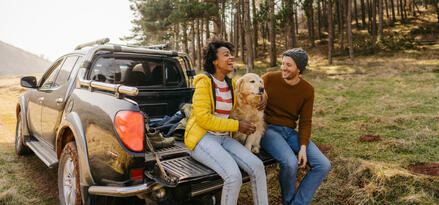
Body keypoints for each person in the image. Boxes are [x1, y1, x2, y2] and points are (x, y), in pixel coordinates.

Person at [184, 39, 268, 205]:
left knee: (257, 167)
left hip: (223, 138)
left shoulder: (232, 84)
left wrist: (264, 95)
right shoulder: (204, 83)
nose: (231, 58)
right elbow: (203, 119)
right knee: (233, 176)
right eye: (226, 55)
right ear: (215, 61)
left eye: (231, 54)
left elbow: (252, 87)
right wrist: (237, 126)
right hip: (202, 138)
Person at [260, 48, 331, 205]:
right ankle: (288, 201)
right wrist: (260, 98)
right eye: (283, 63)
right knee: (290, 163)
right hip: (268, 129)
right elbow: (250, 92)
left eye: (288, 65)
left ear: (299, 68)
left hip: (290, 132)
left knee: (323, 165)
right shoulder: (269, 79)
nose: (283, 68)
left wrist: (303, 147)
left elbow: (305, 121)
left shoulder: (307, 90)